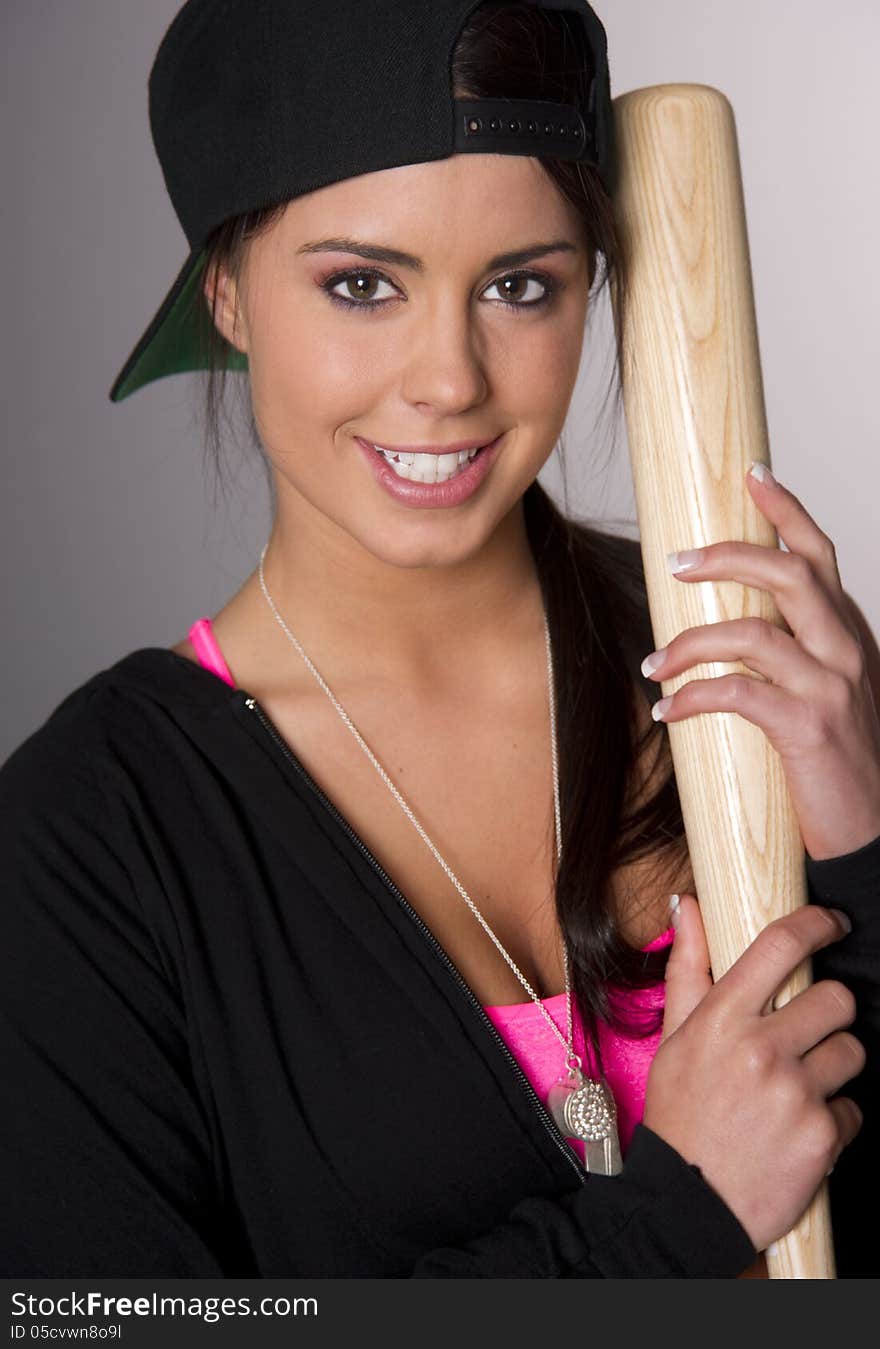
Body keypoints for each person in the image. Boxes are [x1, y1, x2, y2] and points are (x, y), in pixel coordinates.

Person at [2, 0, 879, 1279]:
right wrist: (669, 1215)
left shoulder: (756, 664)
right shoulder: (88, 832)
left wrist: (864, 852)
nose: (450, 378)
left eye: (521, 285)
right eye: (362, 284)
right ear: (228, 295)